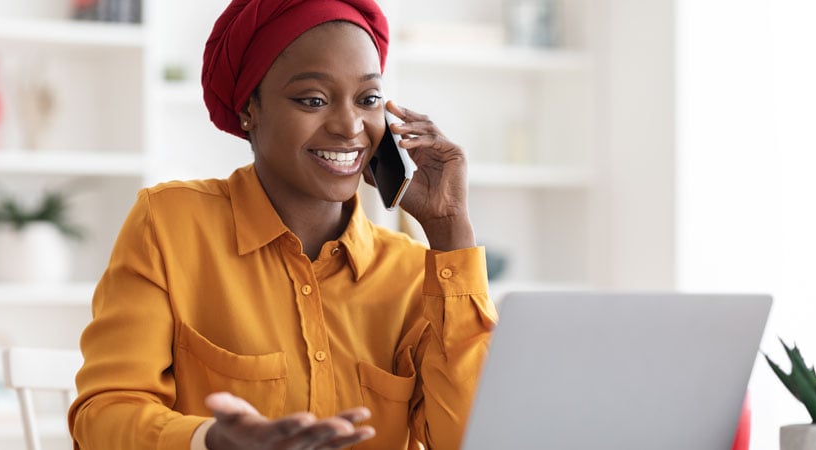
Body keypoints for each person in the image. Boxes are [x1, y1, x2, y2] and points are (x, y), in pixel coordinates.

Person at [67, 0, 497, 449]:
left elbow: (471, 440)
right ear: (250, 108)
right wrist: (211, 440)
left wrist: (450, 231)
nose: (351, 126)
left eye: (368, 99)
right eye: (313, 99)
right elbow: (104, 416)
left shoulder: (411, 273)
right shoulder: (170, 226)